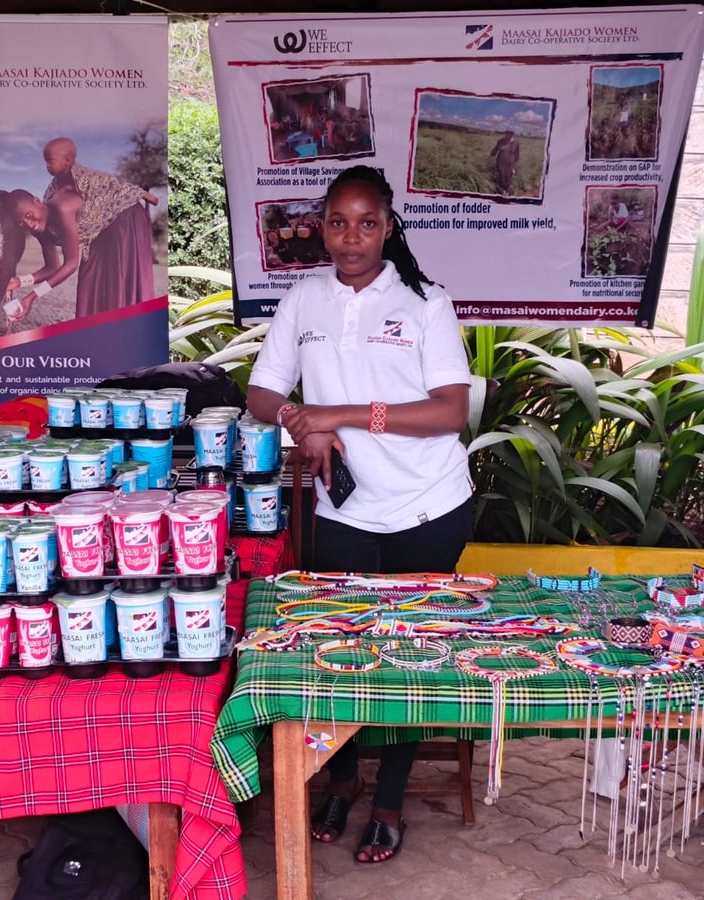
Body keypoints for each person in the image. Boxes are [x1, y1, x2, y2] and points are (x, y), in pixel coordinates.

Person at [245, 165, 473, 865]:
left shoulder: (425, 302)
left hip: (428, 505)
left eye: (366, 223)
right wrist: (296, 420)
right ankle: (340, 783)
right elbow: (260, 390)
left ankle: (390, 802)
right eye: (338, 223)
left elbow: (449, 410)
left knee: (408, 656)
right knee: (337, 652)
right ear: (321, 226)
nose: (351, 238)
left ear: (389, 228)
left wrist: (338, 412)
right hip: (345, 505)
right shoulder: (304, 298)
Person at [6, 137, 157, 321]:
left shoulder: (62, 206)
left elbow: (70, 265)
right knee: (89, 285)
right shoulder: (40, 227)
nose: (30, 224)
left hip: (125, 218)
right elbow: (52, 267)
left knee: (118, 283)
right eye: (23, 223)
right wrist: (21, 281)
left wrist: (32, 296)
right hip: (99, 229)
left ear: (38, 202)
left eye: (29, 215)